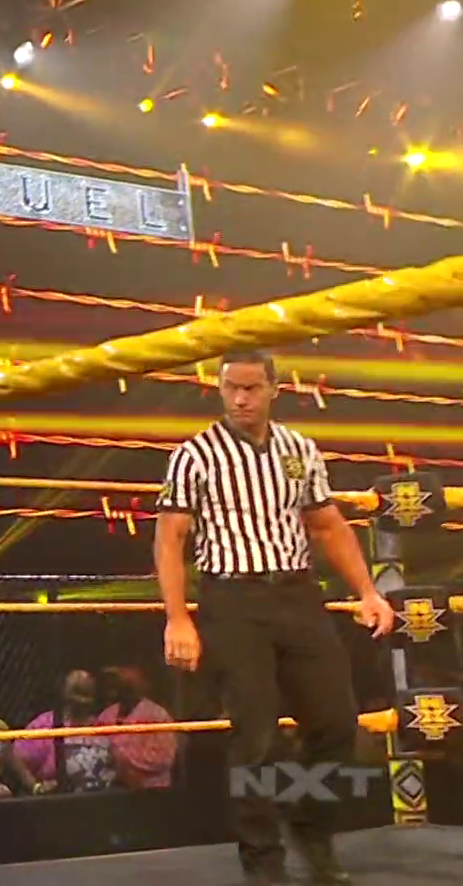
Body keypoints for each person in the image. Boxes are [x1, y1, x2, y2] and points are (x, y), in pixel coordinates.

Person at [156, 350, 395, 886]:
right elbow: (170, 538)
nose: (241, 398)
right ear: (220, 389)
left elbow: (327, 524)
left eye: (251, 388)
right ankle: (263, 859)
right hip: (232, 601)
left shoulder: (298, 449)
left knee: (337, 722)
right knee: (257, 734)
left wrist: (367, 592)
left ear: (272, 390)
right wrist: (177, 618)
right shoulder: (195, 456)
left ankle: (311, 825)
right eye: (231, 388)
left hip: (297, 594)